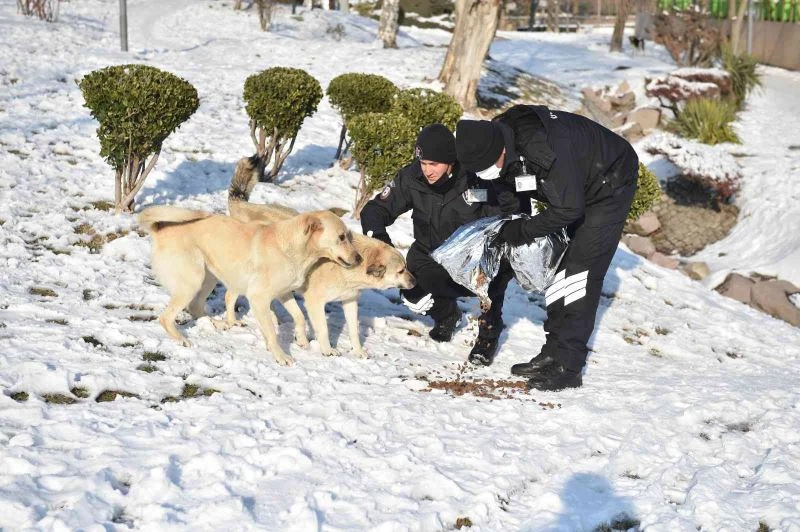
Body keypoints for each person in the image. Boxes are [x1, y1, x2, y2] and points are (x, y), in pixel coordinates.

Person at [455, 105, 639, 391]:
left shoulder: (543, 150)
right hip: (576, 183)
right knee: (560, 270)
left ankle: (569, 366)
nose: (486, 173)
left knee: (579, 275)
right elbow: (511, 189)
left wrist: (522, 231)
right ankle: (553, 353)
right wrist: (511, 224)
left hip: (609, 182)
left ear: (500, 149)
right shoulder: (496, 140)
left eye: (488, 166)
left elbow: (568, 209)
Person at [361, 123, 513, 365]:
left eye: (434, 164)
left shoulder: (476, 178)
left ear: (450, 161)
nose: (427, 170)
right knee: (412, 292)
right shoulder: (411, 177)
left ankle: (488, 334)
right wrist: (381, 243)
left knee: (496, 273)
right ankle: (446, 315)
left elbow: (504, 218)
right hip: (430, 255)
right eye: (423, 163)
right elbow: (374, 210)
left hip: (472, 260)